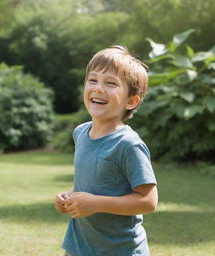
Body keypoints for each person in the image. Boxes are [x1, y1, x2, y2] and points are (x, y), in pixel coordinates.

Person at [55, 45, 158, 256]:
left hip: (119, 250)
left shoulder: (128, 144)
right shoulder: (81, 133)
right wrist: (70, 197)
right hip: (79, 247)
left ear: (131, 101)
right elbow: (88, 182)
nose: (98, 88)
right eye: (93, 80)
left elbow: (148, 201)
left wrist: (96, 203)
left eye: (111, 83)